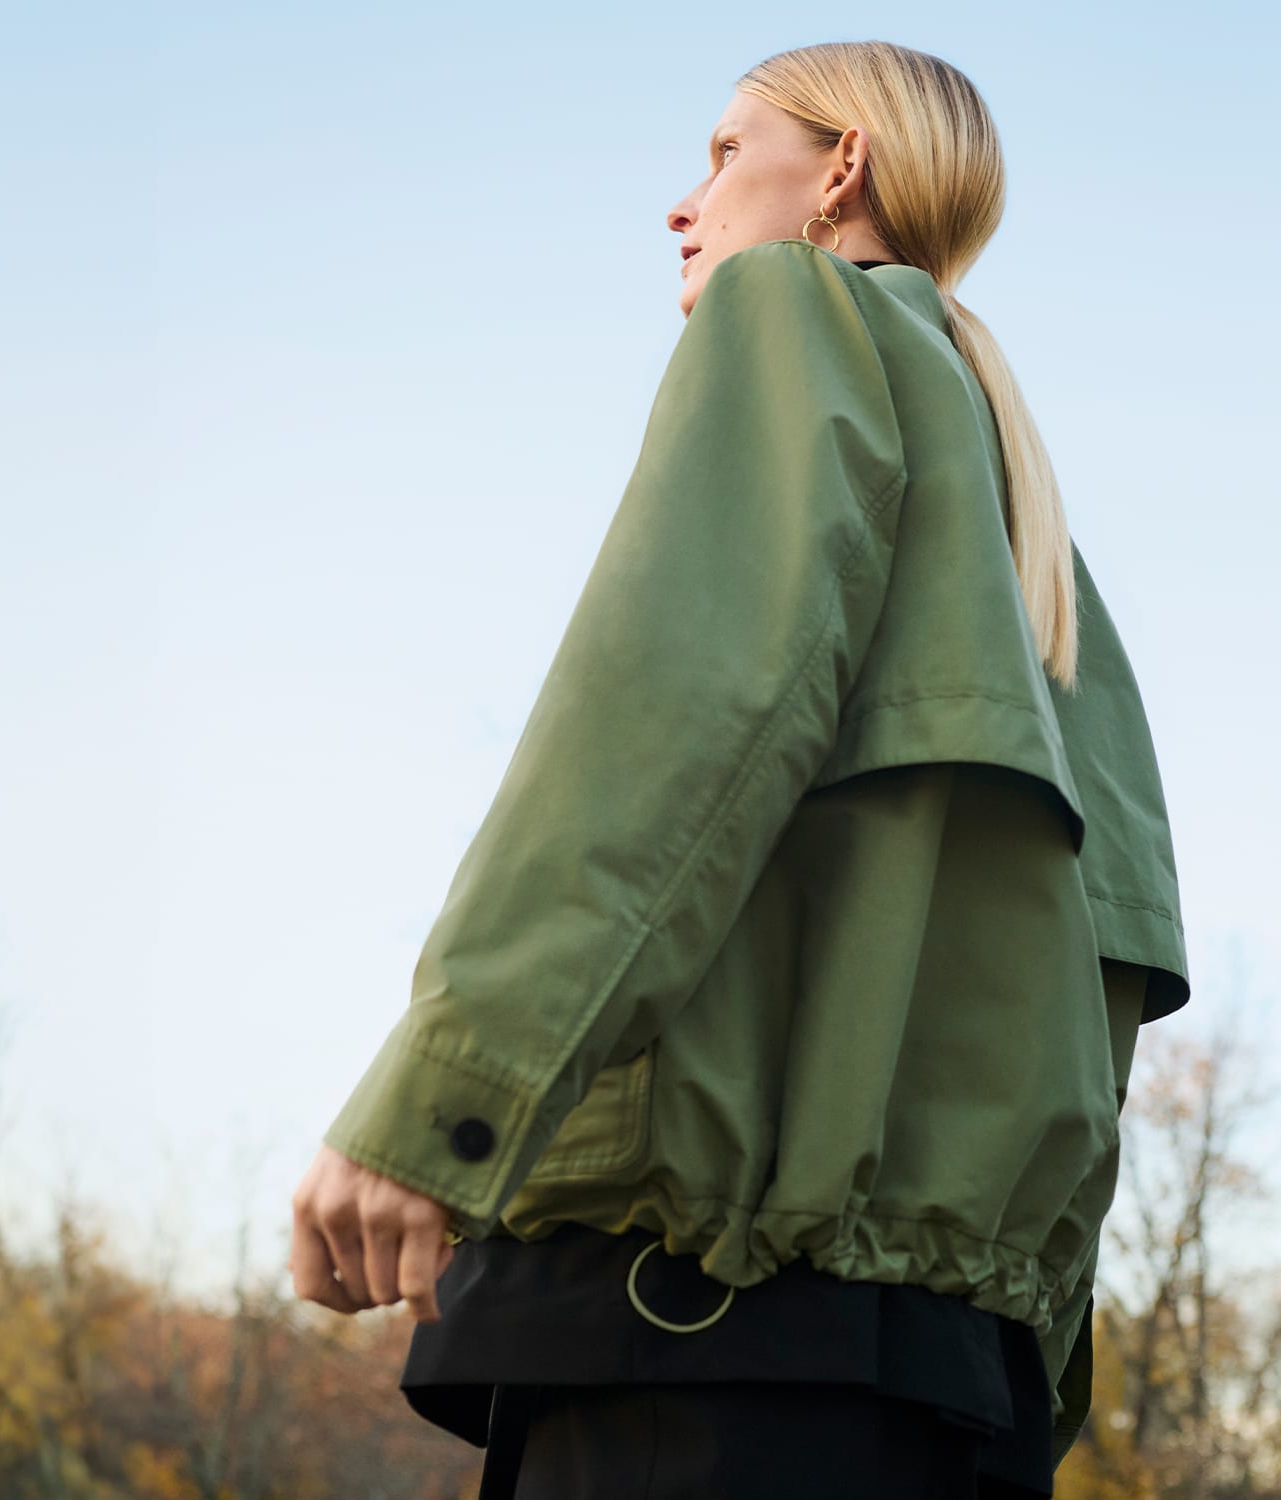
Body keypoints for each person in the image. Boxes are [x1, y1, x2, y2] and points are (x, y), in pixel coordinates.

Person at [287, 39, 1191, 1500]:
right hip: (952, 1381)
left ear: (842, 168)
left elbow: (664, 734)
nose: (683, 201)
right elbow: (1111, 975)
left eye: (721, 151)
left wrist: (441, 1106)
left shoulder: (789, 316)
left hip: (704, 1340)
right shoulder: (1036, 553)